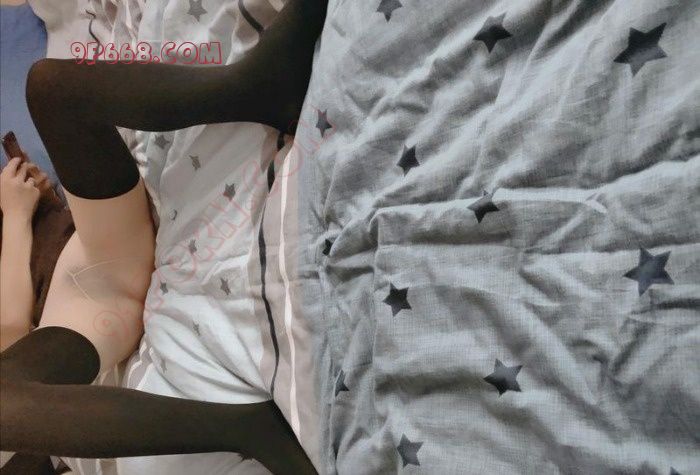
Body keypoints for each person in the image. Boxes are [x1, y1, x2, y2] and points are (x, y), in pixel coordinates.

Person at [0, 0, 329, 473]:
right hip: (86, 320)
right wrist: (15, 216)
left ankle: (258, 89)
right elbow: (10, 329)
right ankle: (248, 428)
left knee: (50, 86)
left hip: (99, 255)